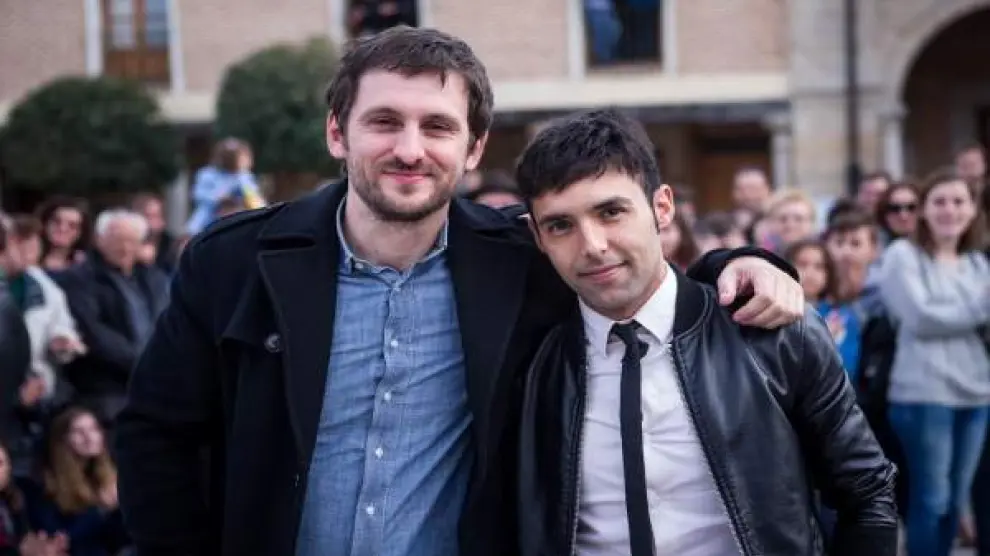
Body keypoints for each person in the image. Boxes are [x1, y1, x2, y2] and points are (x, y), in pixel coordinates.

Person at [114, 26, 805, 556]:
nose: (410, 149)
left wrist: (737, 263)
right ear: (337, 133)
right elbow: (155, 438)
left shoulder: (524, 262)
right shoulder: (235, 262)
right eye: (385, 121)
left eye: (438, 127)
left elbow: (631, 274)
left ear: (473, 150)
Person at [513, 109, 897, 556]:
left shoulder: (769, 330)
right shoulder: (528, 359)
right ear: (538, 236)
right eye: (561, 225)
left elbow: (867, 491)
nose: (593, 245)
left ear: (662, 208)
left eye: (611, 212)